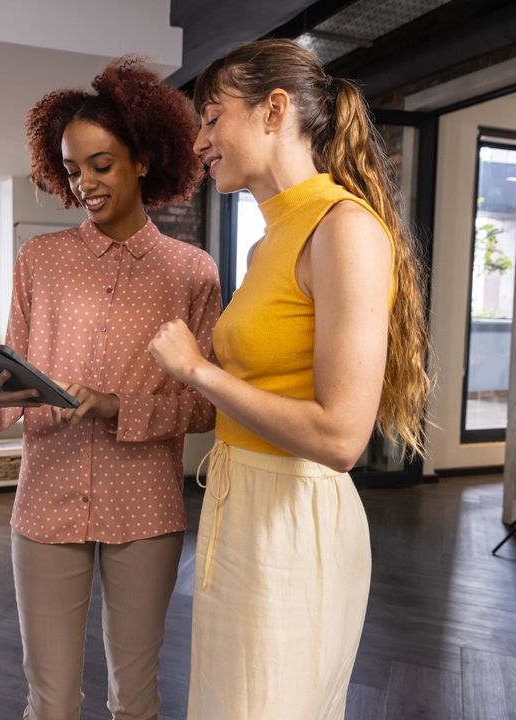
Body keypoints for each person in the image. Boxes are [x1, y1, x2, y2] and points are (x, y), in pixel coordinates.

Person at [147, 39, 430, 719]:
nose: (200, 142)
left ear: (274, 110)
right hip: (240, 504)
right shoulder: (268, 238)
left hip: (291, 523)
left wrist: (196, 371)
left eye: (211, 118)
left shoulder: (343, 229)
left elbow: (340, 437)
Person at [0, 57, 221, 720]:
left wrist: (113, 406)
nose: (86, 184)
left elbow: (207, 404)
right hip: (45, 503)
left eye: (101, 164)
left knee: (135, 698)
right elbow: (6, 387)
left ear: (145, 159)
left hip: (147, 510)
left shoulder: (193, 274)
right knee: (49, 702)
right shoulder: (37, 262)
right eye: (72, 170)